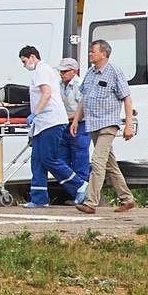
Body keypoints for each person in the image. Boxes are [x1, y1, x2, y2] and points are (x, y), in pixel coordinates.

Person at [18, 45, 88, 208]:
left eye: (24, 61)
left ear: (32, 57)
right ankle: (39, 197)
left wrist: (35, 112)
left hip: (51, 120)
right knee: (37, 159)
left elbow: (46, 93)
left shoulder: (42, 70)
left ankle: (79, 185)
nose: (24, 65)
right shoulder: (40, 72)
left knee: (48, 158)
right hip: (42, 123)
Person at [71, 39, 137, 214]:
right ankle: (127, 199)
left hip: (108, 124)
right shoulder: (90, 73)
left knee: (97, 162)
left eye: (93, 51)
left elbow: (127, 97)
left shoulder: (115, 72)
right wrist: (76, 120)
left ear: (103, 53)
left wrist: (128, 124)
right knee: (110, 165)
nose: (90, 54)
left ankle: (91, 202)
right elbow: (84, 99)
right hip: (93, 123)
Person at [56, 57, 91, 203]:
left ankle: (83, 195)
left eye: (65, 71)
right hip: (64, 124)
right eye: (61, 71)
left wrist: (70, 117)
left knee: (79, 160)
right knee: (61, 159)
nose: (62, 74)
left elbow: (82, 108)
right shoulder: (59, 85)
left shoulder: (79, 84)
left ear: (74, 71)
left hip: (80, 125)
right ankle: (75, 192)